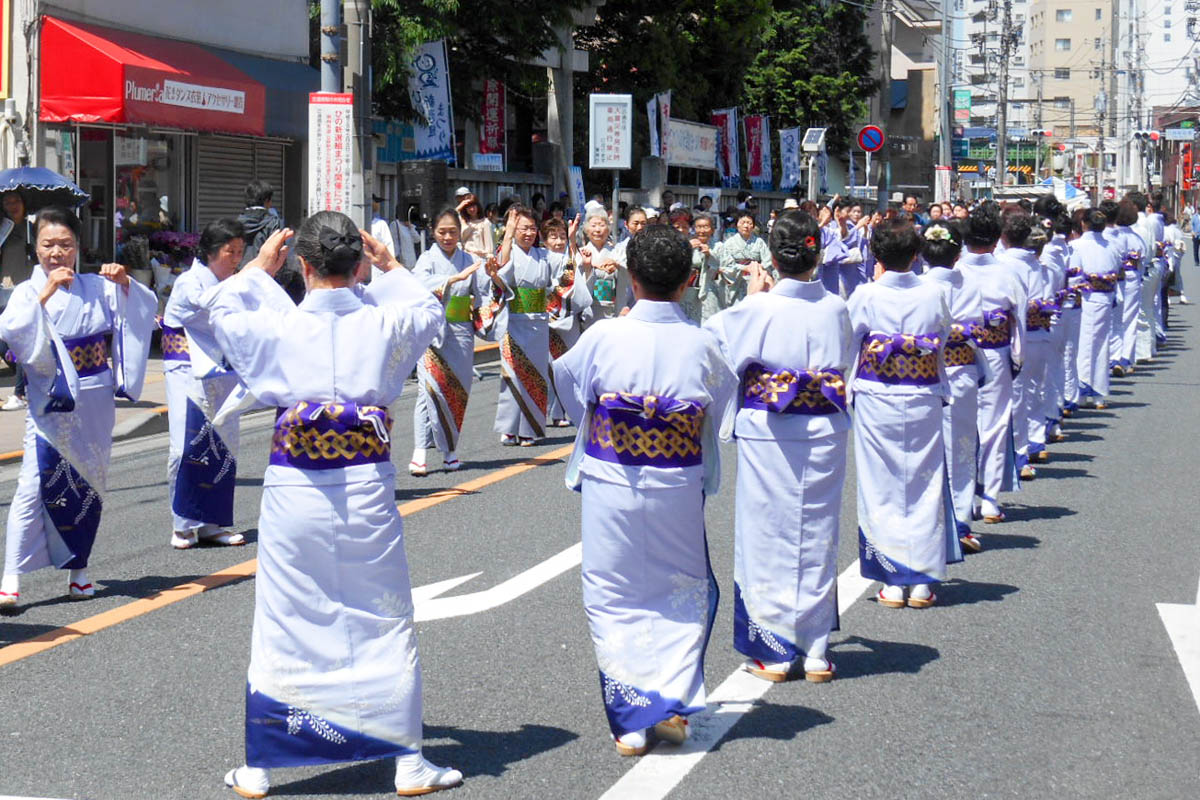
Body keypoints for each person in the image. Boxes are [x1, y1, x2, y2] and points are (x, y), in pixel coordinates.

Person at [207, 215, 461, 798]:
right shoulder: (385, 320)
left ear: (302, 265)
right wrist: (392, 266)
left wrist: (254, 270)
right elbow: (427, 308)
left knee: (283, 616)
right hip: (365, 480)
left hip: (296, 482)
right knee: (381, 614)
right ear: (359, 265)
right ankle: (407, 762)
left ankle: (262, 764)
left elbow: (221, 311)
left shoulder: (277, 324)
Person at [552, 225, 737, 756]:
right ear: (688, 282)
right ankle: (672, 702)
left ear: (631, 280)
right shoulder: (703, 344)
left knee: (613, 592)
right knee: (681, 586)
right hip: (677, 477)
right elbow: (723, 408)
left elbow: (569, 391)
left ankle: (632, 717)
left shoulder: (605, 336)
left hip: (613, 473)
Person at [705, 211, 851, 682]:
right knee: (817, 532)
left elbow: (715, 355)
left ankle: (774, 649)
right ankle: (815, 648)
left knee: (767, 535)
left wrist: (751, 298)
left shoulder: (754, 310)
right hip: (825, 427)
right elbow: (846, 361)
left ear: (771, 256)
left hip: (770, 429)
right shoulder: (835, 307)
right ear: (817, 256)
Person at [0, 207, 156, 608]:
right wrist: (46, 293)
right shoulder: (25, 292)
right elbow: (12, 332)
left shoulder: (95, 285)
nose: (57, 253)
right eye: (48, 244)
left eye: (65, 245)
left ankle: (79, 570)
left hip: (95, 396)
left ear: (78, 247)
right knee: (34, 484)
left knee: (88, 482)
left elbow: (141, 311)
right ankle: (10, 575)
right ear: (35, 248)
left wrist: (125, 284)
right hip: (50, 401)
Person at [848, 218, 957, 609]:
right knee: (923, 482)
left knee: (881, 485)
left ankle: (892, 579)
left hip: (878, 392)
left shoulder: (865, 295)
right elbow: (941, 339)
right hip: (922, 390)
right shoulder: (934, 294)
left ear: (876, 256)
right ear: (916, 255)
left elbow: (849, 345)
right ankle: (922, 580)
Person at [161, 219, 250, 550]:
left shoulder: (230, 281)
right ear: (211, 252)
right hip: (186, 366)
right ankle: (182, 522)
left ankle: (213, 522)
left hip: (222, 368)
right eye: (231, 252)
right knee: (186, 444)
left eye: (241, 253)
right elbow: (214, 306)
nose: (236, 260)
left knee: (224, 441)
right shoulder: (189, 283)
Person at [410, 208, 507, 476]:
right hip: (433, 334)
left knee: (456, 392)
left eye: (453, 231)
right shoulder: (427, 260)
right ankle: (419, 451)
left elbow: (485, 294)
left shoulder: (469, 260)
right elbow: (418, 286)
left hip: (461, 333)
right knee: (426, 390)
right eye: (442, 232)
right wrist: (452, 279)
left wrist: (493, 276)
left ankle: (449, 451)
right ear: (433, 233)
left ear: (460, 232)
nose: (447, 237)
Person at [956, 204, 1024, 525]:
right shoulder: (1007, 273)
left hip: (957, 356)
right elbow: (1018, 321)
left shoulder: (953, 270)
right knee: (995, 425)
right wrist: (1017, 358)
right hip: (995, 351)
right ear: (997, 239)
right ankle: (990, 499)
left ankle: (963, 496)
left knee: (960, 426)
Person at [920, 220, 985, 552]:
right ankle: (960, 521)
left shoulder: (919, 287)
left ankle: (929, 526)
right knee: (961, 446)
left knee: (924, 454)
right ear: (957, 254)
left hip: (923, 373)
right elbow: (980, 327)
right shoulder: (970, 284)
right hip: (960, 370)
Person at [495, 207, 556, 446]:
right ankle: (510, 428)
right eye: (524, 228)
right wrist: (508, 233)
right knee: (512, 374)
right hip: (514, 321)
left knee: (535, 375)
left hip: (538, 323)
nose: (529, 233)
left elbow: (560, 275)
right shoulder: (508, 252)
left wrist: (572, 243)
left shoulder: (543, 255)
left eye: (532, 228)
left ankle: (530, 428)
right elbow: (500, 270)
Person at [1071, 208, 1120, 409]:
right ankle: (1099, 394)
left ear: (1084, 224)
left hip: (1086, 298)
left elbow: (1073, 276)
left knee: (1084, 345)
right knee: (1101, 343)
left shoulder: (1076, 246)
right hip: (1105, 297)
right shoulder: (1112, 246)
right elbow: (1117, 270)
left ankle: (1082, 392)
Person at [545, 215, 592, 426]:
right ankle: (554, 412)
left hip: (569, 318)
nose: (558, 241)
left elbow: (576, 275)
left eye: (562, 236)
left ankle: (568, 410)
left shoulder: (570, 256)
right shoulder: (541, 259)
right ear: (543, 240)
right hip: (546, 317)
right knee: (550, 365)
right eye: (553, 237)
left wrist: (572, 242)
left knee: (570, 364)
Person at [238, 180, 304, 304]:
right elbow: (280, 252)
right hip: (266, 278)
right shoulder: (273, 222)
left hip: (240, 275)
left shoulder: (237, 222)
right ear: (267, 201)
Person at [1, 190, 32, 411]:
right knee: (4, 342)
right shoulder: (3, 227)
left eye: (16, 201)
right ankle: (28, 375)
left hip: (26, 290)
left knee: (21, 341)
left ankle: (19, 393)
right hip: (4, 288)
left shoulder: (33, 226)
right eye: (8, 202)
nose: (13, 205)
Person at [1104, 199, 1144, 376]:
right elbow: (1146, 256)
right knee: (1130, 318)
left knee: (1114, 319)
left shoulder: (1110, 236)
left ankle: (1113, 356)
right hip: (1133, 277)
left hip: (1115, 279)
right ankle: (1126, 357)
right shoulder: (1136, 237)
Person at [580, 208, 631, 321]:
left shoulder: (616, 252)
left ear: (608, 229)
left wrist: (617, 265)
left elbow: (626, 279)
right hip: (589, 308)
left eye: (601, 225)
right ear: (587, 230)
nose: (597, 230)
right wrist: (589, 266)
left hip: (611, 307)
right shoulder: (582, 252)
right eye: (593, 226)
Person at [719, 210, 771, 304]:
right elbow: (725, 264)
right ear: (737, 225)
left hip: (755, 278)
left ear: (753, 226)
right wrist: (744, 268)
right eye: (743, 222)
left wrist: (758, 268)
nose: (746, 226)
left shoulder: (759, 242)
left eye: (749, 223)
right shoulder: (729, 243)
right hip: (736, 280)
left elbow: (767, 261)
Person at [456, 188, 495, 262]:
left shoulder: (484, 222)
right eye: (468, 207)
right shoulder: (462, 220)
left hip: (480, 259)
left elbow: (489, 246)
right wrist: (459, 207)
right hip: (465, 257)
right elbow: (450, 216)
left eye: (473, 206)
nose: (472, 209)